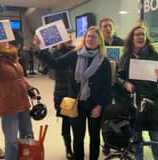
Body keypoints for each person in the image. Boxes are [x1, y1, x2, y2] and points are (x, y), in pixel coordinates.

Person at [33, 26, 112, 160]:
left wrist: (99, 106)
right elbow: (55, 63)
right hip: (76, 103)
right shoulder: (75, 54)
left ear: (100, 41)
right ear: (84, 38)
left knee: (94, 137)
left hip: (95, 105)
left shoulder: (103, 60)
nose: (90, 39)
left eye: (94, 37)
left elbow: (106, 86)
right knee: (78, 137)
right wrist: (41, 49)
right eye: (88, 36)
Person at [0, 17, 35, 160]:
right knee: (12, 141)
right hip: (8, 106)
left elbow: (19, 78)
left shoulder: (13, 57)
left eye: (7, 38)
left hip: (23, 103)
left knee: (28, 136)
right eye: (2, 38)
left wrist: (30, 88)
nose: (7, 41)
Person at [117, 25, 158, 160]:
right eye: (137, 34)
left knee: (154, 134)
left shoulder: (153, 54)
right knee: (136, 134)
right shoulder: (126, 56)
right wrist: (125, 84)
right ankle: (139, 158)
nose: (140, 37)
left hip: (152, 98)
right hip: (134, 99)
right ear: (132, 38)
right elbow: (118, 77)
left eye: (143, 34)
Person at [33, 32, 75, 159]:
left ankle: (76, 146)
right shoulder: (56, 53)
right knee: (67, 120)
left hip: (77, 91)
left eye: (70, 36)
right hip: (64, 92)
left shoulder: (76, 52)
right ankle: (68, 147)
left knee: (78, 121)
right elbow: (47, 66)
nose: (69, 39)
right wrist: (41, 48)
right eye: (66, 37)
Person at [99, 17, 124, 155]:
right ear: (101, 29)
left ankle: (121, 142)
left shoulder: (121, 43)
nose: (108, 28)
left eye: (110, 26)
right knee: (105, 115)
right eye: (105, 26)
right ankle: (107, 143)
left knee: (120, 114)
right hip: (104, 84)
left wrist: (122, 62)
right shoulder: (98, 44)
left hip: (119, 84)